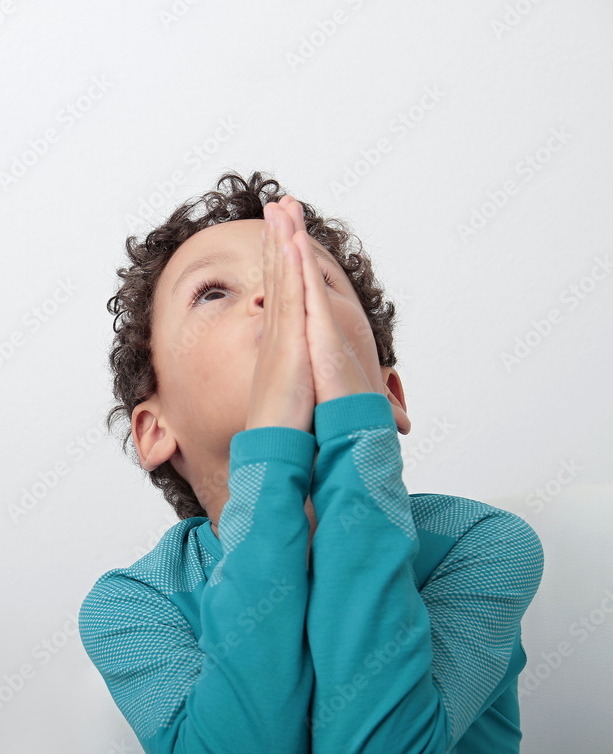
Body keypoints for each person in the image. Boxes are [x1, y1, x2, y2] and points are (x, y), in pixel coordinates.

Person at [77, 171, 545, 753]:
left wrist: (352, 427)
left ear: (388, 393)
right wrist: (276, 436)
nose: (281, 296)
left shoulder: (483, 546)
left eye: (316, 281)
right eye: (213, 292)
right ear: (153, 429)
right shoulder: (132, 607)